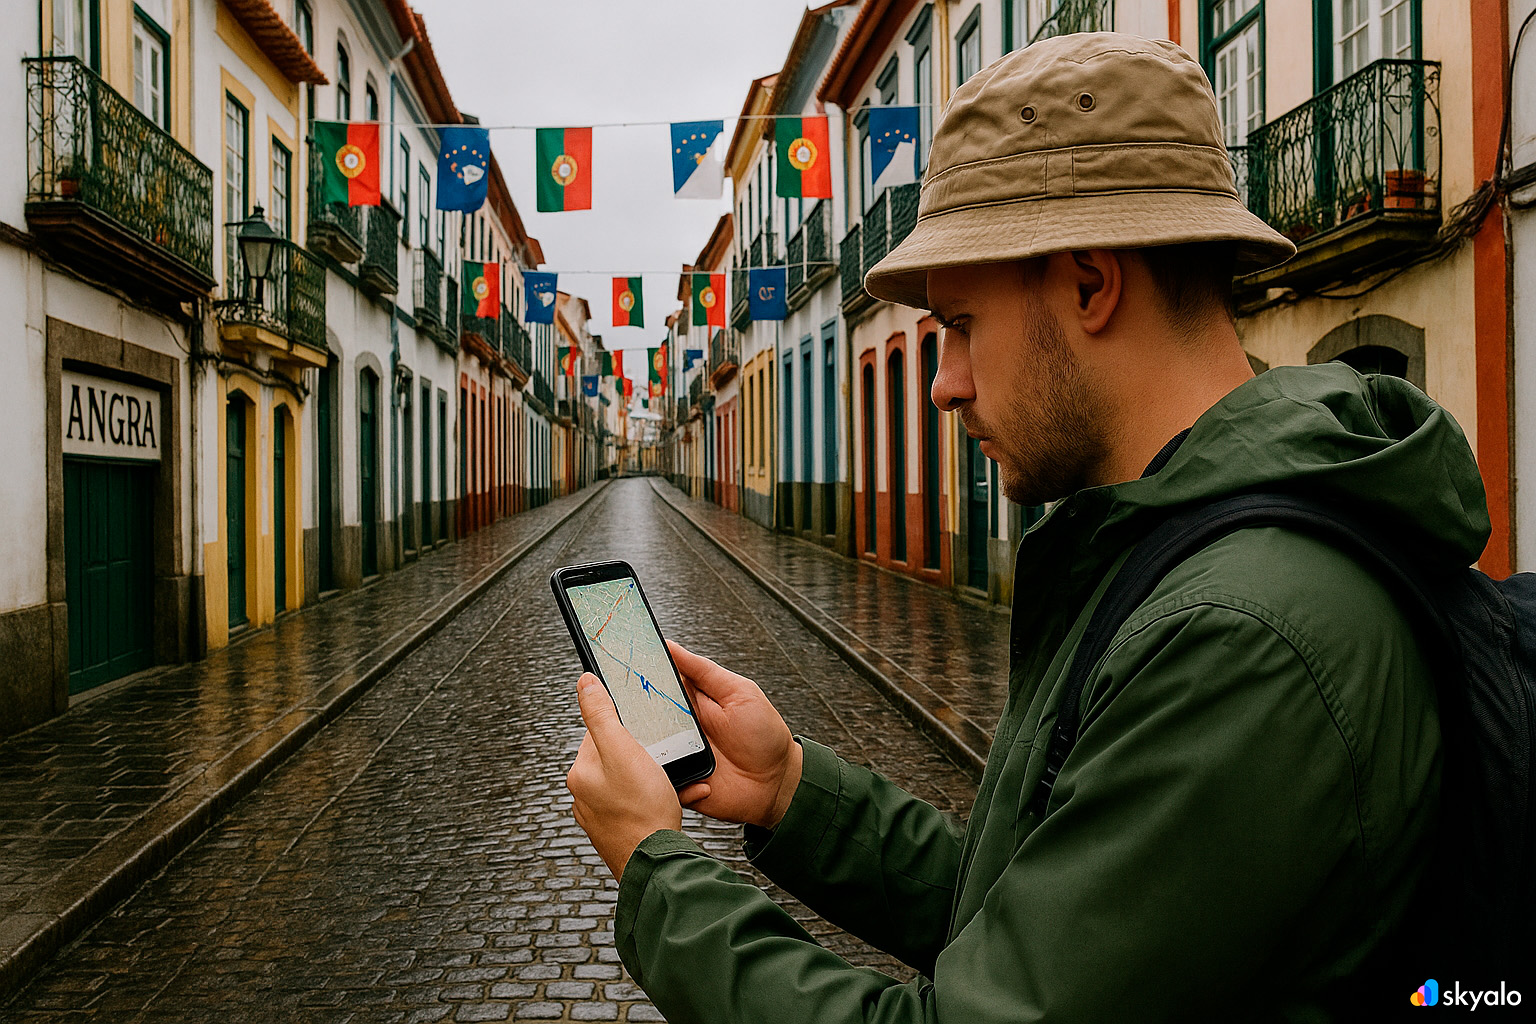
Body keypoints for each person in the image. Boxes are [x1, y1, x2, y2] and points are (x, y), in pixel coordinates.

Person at [566, 32, 1490, 1020]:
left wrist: (657, 873)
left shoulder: (1241, 633)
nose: (941, 382)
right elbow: (1037, 909)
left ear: (1091, 285)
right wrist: (792, 787)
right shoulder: (1171, 542)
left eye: (961, 324)